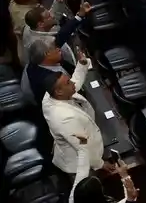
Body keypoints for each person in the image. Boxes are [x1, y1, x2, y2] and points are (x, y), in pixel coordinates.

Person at [43, 51, 104, 185]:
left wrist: (82, 65)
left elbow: (73, 84)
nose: (73, 84)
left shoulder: (50, 96)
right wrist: (100, 164)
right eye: (68, 83)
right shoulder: (65, 119)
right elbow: (83, 146)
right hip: (81, 165)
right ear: (59, 92)